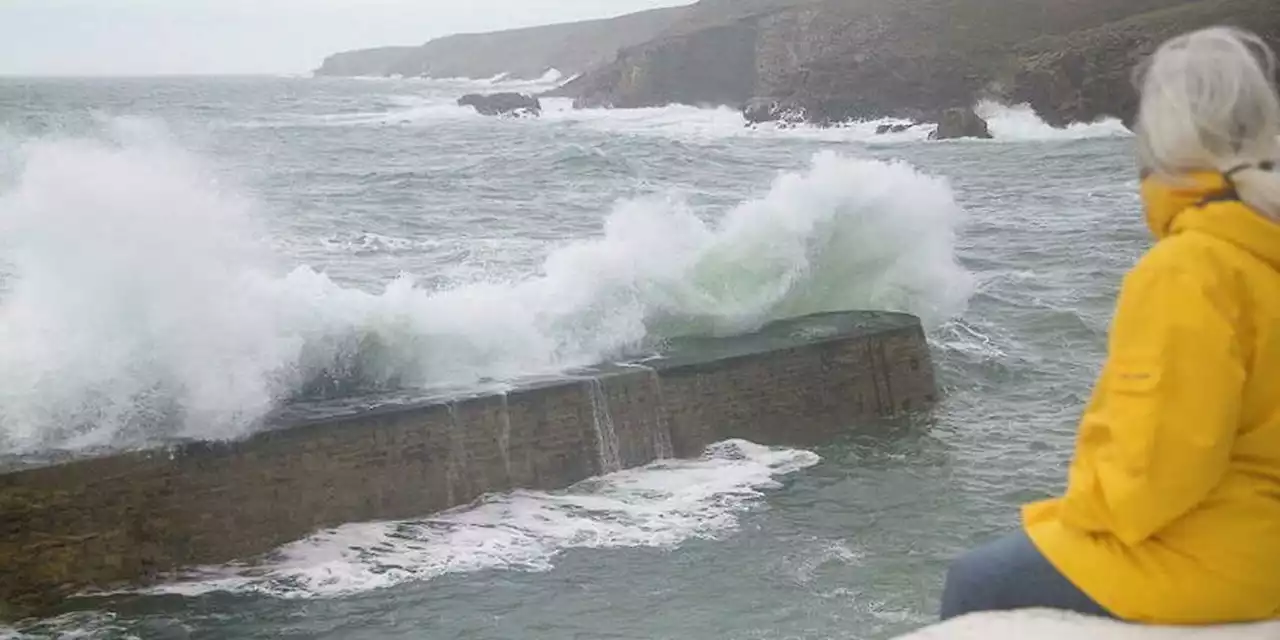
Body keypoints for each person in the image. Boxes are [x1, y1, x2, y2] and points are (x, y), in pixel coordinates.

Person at [940, 25, 1280, 625]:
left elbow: (1163, 460)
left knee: (979, 579)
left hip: (1218, 558)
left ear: (1161, 137)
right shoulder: (1260, 245)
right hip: (1262, 539)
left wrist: (1079, 514)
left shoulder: (1190, 266)